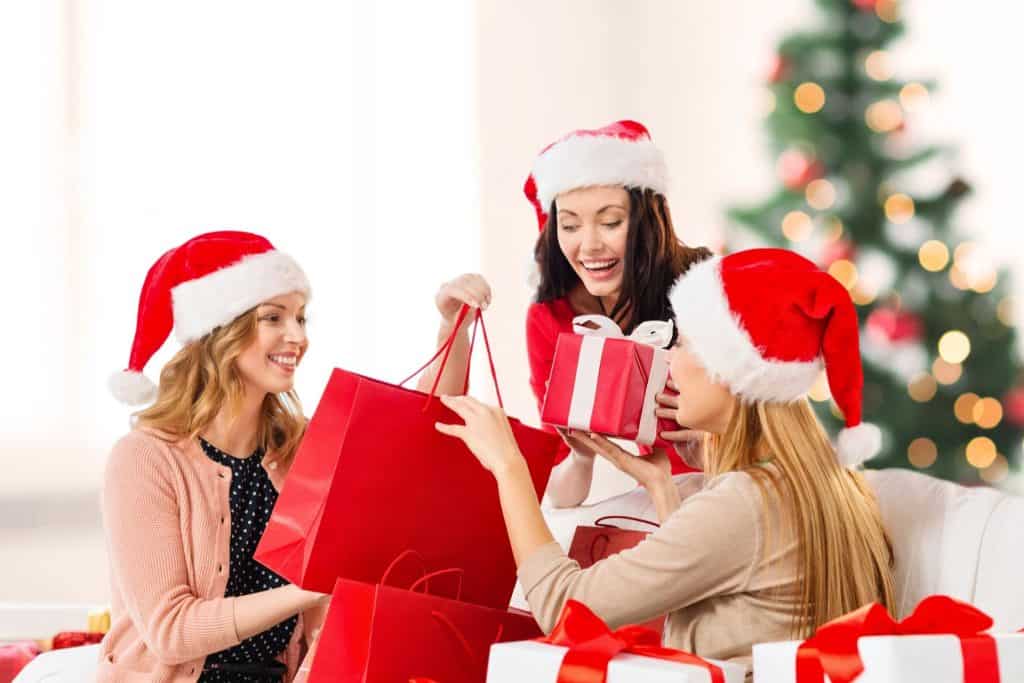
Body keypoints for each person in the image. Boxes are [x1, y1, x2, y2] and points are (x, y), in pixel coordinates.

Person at [436, 248, 895, 675]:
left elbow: (562, 606)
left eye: (686, 345)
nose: (669, 361)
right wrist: (662, 485)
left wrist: (510, 467)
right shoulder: (826, 483)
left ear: (730, 372)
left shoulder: (745, 502)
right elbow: (730, 587)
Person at [100, 230, 486, 681]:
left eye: (301, 318)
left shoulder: (297, 449)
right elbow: (171, 631)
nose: (297, 336)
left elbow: (419, 443)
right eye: (274, 318)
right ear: (222, 329)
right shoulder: (146, 459)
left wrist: (452, 330)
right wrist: (310, 586)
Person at [523, 120, 713, 506]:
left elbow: (770, 454)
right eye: (570, 225)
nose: (589, 245)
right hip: (663, 506)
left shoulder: (703, 292)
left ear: (647, 221)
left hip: (732, 498)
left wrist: (709, 438)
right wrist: (581, 455)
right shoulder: (552, 320)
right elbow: (560, 493)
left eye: (610, 222)